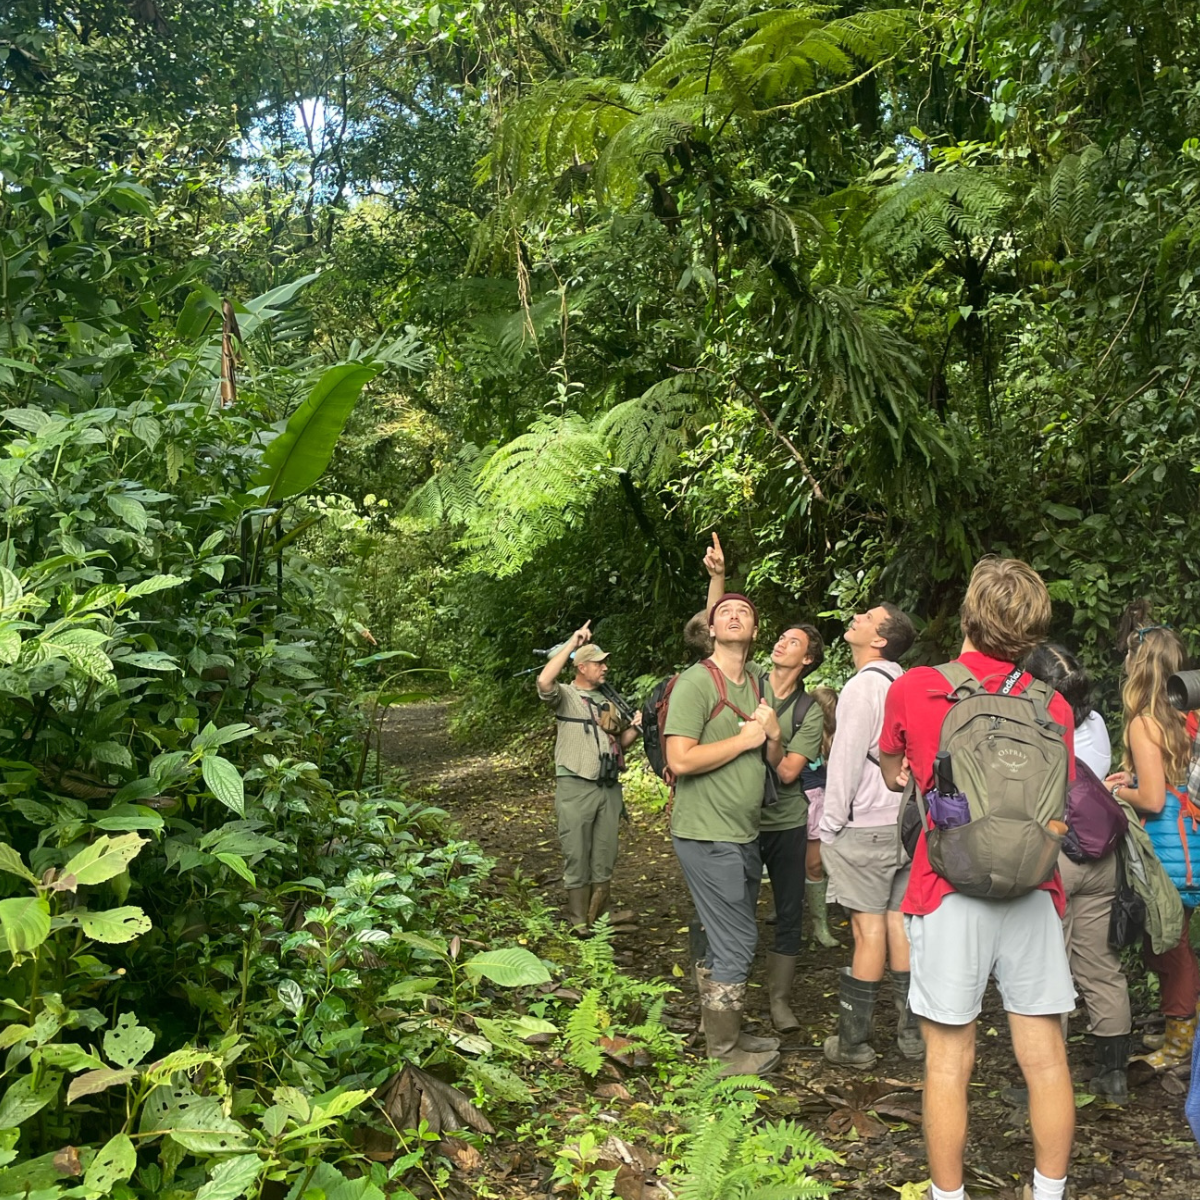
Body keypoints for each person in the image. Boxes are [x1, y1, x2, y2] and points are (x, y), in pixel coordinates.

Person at [879, 557, 1076, 1200]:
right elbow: (1057, 803)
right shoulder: (1055, 707)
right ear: (1032, 634)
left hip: (945, 887)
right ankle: (1048, 1192)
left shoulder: (914, 687)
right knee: (1044, 1057)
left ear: (967, 614)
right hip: (1032, 889)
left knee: (948, 1059)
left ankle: (948, 1196)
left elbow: (893, 771)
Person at [666, 592, 784, 1075]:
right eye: (723, 613)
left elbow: (773, 763)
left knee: (723, 940)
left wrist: (773, 734)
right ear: (710, 630)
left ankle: (726, 1031)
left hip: (743, 831)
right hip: (706, 831)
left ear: (755, 631)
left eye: (745, 612)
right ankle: (722, 1054)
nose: (734, 616)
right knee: (737, 941)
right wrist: (745, 739)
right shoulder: (695, 684)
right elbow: (679, 759)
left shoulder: (758, 684)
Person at [1023, 643, 1130, 1103]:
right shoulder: (1095, 722)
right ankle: (1113, 1077)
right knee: (1100, 965)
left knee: (1049, 967)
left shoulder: (1034, 724)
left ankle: (1046, 1082)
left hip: (1058, 856)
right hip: (1103, 854)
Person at [819, 603, 919, 1067]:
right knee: (900, 923)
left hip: (865, 826)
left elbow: (844, 760)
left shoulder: (863, 688)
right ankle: (912, 1034)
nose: (855, 617)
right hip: (904, 825)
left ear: (880, 639)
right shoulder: (906, 683)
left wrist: (829, 824)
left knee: (868, 928)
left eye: (866, 617)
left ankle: (854, 1042)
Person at [1103, 624, 1200, 1071]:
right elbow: (1176, 782)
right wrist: (1137, 779)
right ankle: (1177, 1022)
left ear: (1139, 666)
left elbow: (1155, 801)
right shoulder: (1188, 714)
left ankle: (1181, 1044)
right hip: (1191, 845)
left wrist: (1120, 792)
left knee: (1169, 947)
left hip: (1166, 849)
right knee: (1171, 939)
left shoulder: (1145, 722)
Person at [536, 621, 642, 931]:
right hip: (575, 784)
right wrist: (572, 642)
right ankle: (578, 920)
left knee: (605, 853)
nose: (605, 667)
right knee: (576, 852)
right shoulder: (566, 695)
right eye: (598, 662)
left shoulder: (608, 700)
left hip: (608, 786)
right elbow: (544, 681)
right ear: (581, 667)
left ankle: (601, 917)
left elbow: (619, 743)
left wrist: (634, 726)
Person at [758, 622, 827, 1032]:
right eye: (780, 637)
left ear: (807, 660)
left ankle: (779, 1001)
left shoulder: (809, 710)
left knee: (788, 908)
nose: (781, 643)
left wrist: (773, 736)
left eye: (793, 642)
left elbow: (787, 773)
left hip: (784, 818)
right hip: (737, 816)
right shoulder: (746, 683)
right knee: (730, 904)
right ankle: (718, 997)